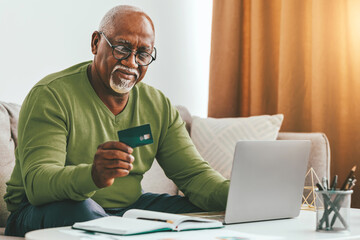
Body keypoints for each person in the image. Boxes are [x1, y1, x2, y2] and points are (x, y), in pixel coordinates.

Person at [3, 5, 229, 237]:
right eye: (122, 48)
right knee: (83, 210)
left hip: (128, 209)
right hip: (43, 210)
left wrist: (240, 196)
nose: (131, 62)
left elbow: (193, 176)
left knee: (202, 215)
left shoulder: (158, 105)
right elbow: (37, 185)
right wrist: (93, 175)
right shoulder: (51, 95)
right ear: (95, 43)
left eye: (143, 54)